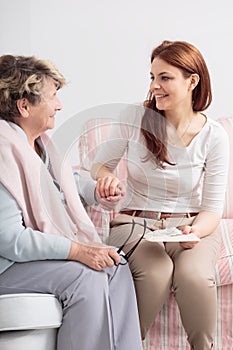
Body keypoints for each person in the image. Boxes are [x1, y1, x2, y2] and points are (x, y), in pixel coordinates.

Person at [91, 40, 229, 350]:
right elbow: (99, 166)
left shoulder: (214, 135)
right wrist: (107, 177)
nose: (155, 86)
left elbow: (211, 210)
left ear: (192, 81)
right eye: (152, 77)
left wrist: (194, 231)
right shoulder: (135, 117)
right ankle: (120, 345)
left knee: (194, 277)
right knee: (156, 272)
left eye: (164, 78)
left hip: (190, 227)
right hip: (137, 222)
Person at [0, 54, 143, 350]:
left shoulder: (39, 147)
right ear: (24, 106)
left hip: (27, 260)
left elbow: (60, 187)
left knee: (116, 266)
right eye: (52, 97)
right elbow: (10, 240)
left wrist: (97, 190)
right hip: (8, 265)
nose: (59, 106)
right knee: (84, 277)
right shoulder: (4, 153)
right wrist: (78, 251)